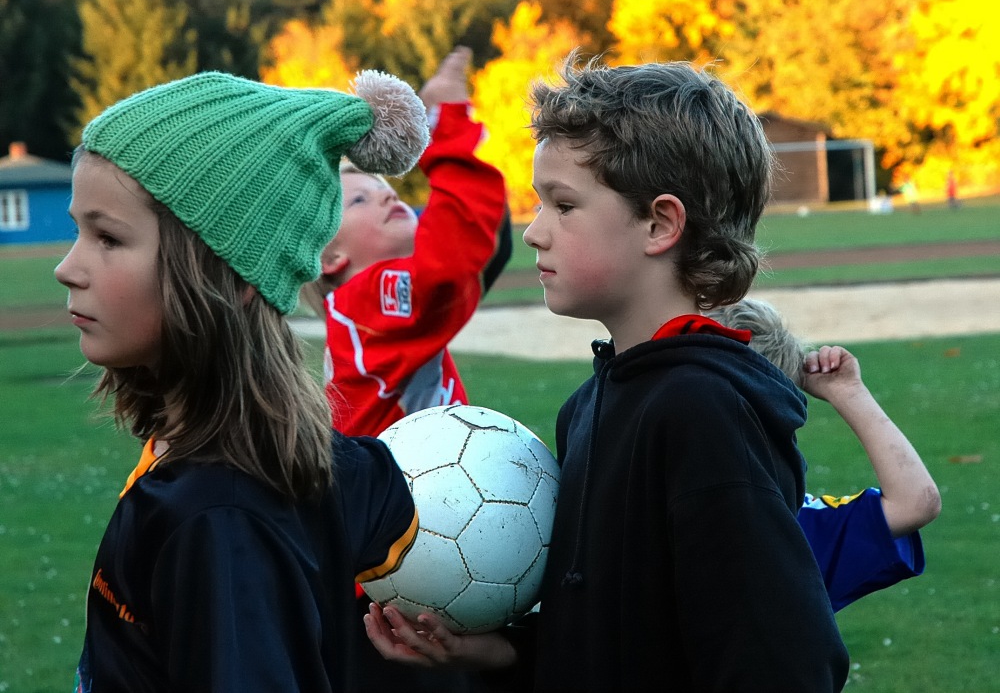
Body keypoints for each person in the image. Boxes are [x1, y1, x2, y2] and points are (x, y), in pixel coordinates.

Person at [365, 56, 850, 692]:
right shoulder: (593, 402)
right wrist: (501, 655)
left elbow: (785, 660)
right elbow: (618, 639)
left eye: (564, 205)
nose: (535, 232)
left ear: (660, 223)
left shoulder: (703, 412)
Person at [56, 68, 432, 692]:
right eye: (78, 230)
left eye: (107, 237)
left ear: (225, 277)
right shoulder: (210, 467)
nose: (69, 267)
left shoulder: (221, 522)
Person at [307, 46, 510, 439]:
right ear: (330, 256)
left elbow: (476, 252)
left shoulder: (364, 311)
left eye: (388, 192)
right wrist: (446, 124)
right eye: (360, 200)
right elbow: (448, 263)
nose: (389, 196)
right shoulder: (362, 302)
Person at [713, 297, 942, 611]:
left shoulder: (633, 500)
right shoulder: (787, 526)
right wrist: (847, 391)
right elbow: (916, 501)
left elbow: (916, 504)